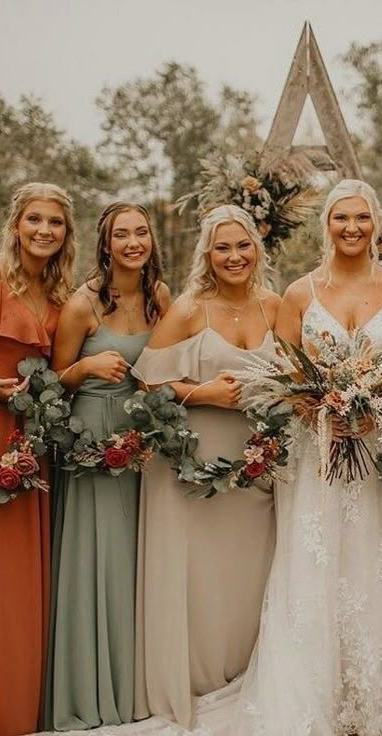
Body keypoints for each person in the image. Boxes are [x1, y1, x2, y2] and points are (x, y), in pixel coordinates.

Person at [228, 179, 382, 734]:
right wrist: (319, 409)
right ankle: (314, 698)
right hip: (319, 454)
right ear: (326, 225)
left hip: (378, 453)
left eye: (361, 218)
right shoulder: (300, 295)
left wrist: (377, 408)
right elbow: (281, 378)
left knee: (376, 561)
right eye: (340, 218)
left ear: (376, 224)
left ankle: (378, 697)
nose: (351, 228)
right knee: (317, 561)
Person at [132, 205, 279, 728]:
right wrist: (206, 393)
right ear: (207, 254)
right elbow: (147, 383)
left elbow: (299, 378)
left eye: (242, 246)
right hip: (199, 460)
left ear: (257, 249)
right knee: (201, 577)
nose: (234, 257)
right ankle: (197, 681)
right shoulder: (192, 308)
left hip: (256, 467)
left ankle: (244, 675)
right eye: (223, 248)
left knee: (248, 576)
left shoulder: (275, 307)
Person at [44, 202, 169, 730]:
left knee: (140, 558)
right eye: (123, 234)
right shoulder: (83, 304)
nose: (134, 242)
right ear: (106, 242)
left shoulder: (161, 297)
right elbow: (51, 384)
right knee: (101, 558)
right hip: (93, 436)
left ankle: (135, 684)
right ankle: (90, 694)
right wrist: (87, 366)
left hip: (144, 440)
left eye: (141, 232)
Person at [0, 182, 76, 736]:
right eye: (34, 219)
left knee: (18, 578)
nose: (43, 230)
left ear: (66, 233)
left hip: (30, 441)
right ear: (16, 225)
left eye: (54, 222)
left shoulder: (59, 296)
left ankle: (12, 710)